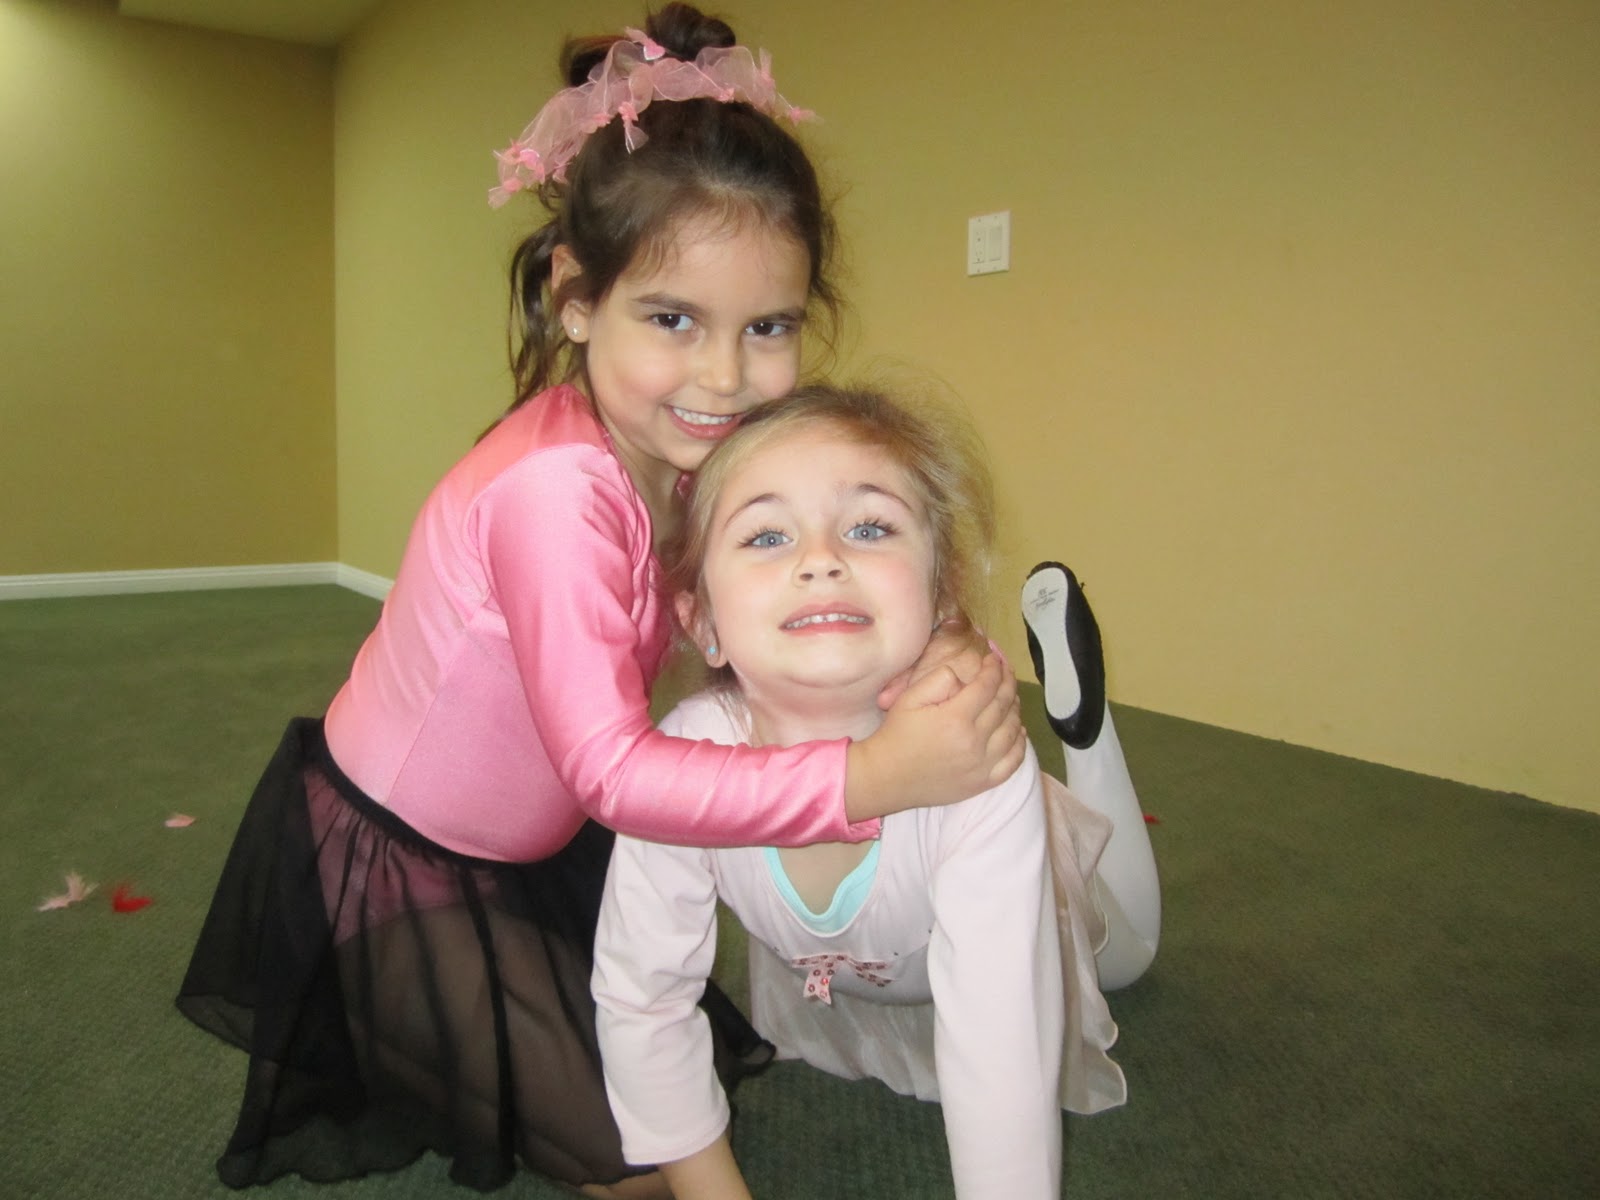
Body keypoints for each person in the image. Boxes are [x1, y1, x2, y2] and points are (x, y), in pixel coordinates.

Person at [174, 7, 1024, 1196]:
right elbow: (615, 775)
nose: (725, 377)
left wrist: (940, 649)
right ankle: (381, 1003)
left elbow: (828, 555)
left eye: (768, 327)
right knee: (635, 1169)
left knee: (678, 1077)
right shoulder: (554, 491)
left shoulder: (686, 447)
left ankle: (493, 1005)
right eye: (673, 319)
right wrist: (871, 777)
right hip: (407, 859)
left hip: (548, 842)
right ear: (575, 297)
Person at [593, 384, 1153, 1200]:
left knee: (1124, 955)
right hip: (862, 964)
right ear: (702, 620)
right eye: (767, 535)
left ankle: (1090, 743)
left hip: (1026, 889)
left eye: (869, 527)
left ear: (939, 598)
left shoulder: (977, 768)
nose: (821, 558)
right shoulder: (678, 768)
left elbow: (1004, 1041)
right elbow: (642, 993)